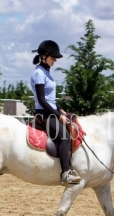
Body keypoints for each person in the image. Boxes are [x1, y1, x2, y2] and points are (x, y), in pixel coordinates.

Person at [30, 40, 81, 186]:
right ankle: (65, 173)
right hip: (43, 113)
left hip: (50, 110)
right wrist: (58, 115)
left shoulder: (46, 72)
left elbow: (50, 99)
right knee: (65, 136)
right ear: (44, 56)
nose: (55, 60)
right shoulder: (39, 73)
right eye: (53, 57)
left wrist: (60, 109)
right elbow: (42, 100)